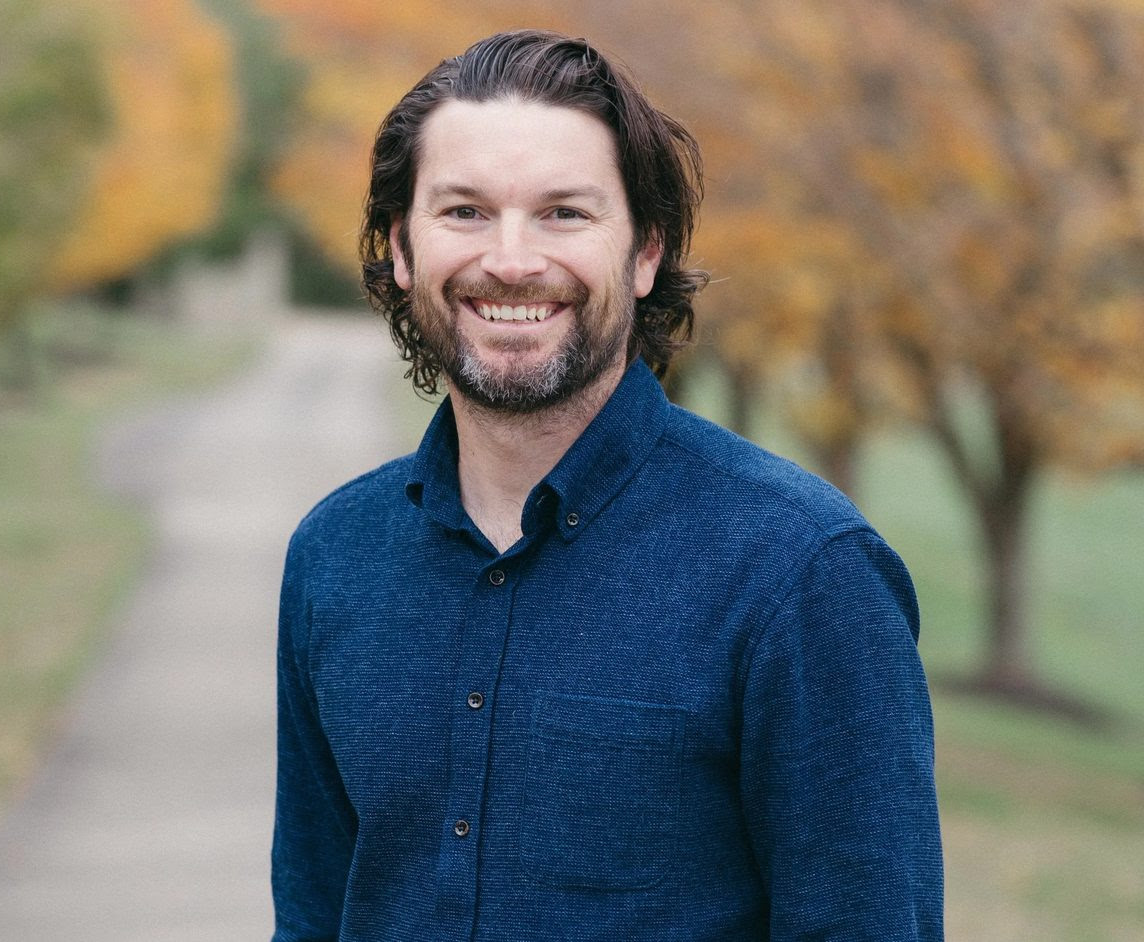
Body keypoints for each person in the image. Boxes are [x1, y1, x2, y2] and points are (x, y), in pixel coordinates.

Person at [272, 28, 944, 942]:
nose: (510, 260)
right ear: (399, 248)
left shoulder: (800, 574)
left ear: (644, 254)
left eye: (564, 214)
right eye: (463, 211)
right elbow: (313, 916)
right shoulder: (334, 555)